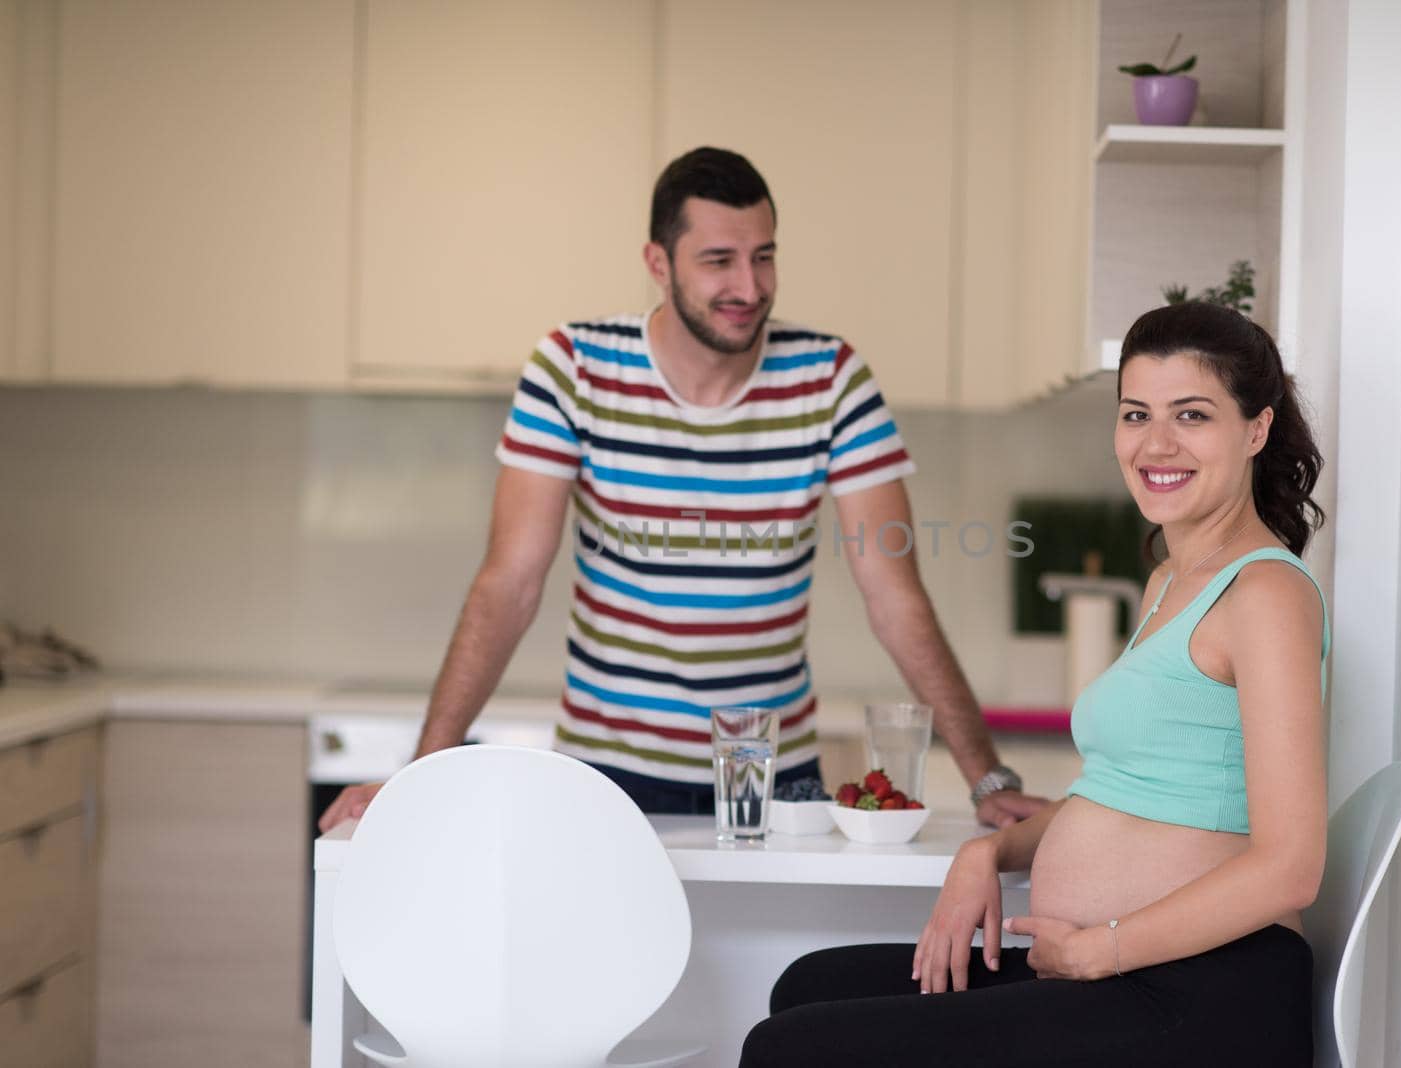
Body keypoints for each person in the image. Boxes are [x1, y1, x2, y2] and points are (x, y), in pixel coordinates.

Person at [319, 147, 1046, 831]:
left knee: (775, 970)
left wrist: (986, 777)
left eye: (764, 258)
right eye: (718, 261)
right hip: (609, 775)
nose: (749, 287)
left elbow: (893, 593)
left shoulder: (830, 376)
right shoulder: (574, 367)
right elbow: (509, 583)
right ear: (658, 263)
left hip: (774, 776)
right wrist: (420, 772)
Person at [740, 300, 1330, 1066]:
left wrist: (1101, 951)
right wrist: (990, 854)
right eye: (1135, 414)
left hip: (1203, 992)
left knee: (792, 1049)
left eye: (1191, 415)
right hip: (1122, 970)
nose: (1156, 443)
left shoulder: (1266, 595)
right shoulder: (1168, 582)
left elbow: (1292, 868)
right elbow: (1135, 794)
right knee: (808, 986)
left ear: (1256, 429)